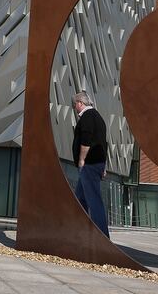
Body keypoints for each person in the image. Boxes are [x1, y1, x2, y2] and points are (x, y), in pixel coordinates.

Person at [71, 91, 109, 237]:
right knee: (80, 199)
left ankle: (101, 235)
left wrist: (82, 159)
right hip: (97, 163)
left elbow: (86, 140)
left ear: (80, 103)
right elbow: (103, 144)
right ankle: (80, 232)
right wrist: (104, 165)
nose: (75, 108)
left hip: (90, 164)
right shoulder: (98, 117)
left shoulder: (87, 116)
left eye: (75, 105)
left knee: (93, 199)